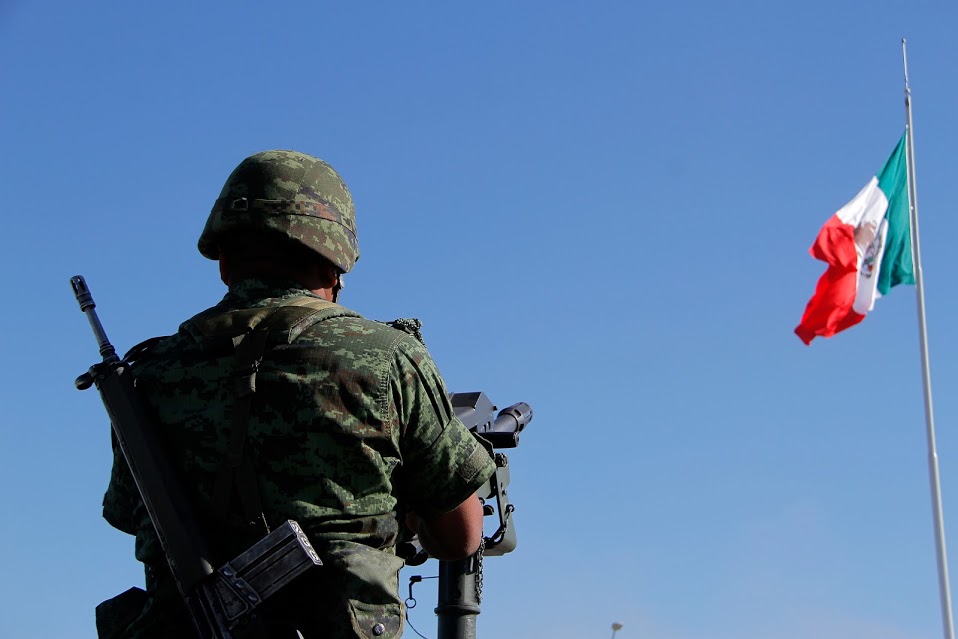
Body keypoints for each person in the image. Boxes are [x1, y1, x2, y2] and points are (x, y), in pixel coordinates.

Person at [96, 150, 497, 638]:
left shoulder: (149, 376)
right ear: (335, 261)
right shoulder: (387, 357)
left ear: (224, 260)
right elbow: (461, 537)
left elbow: (128, 515)